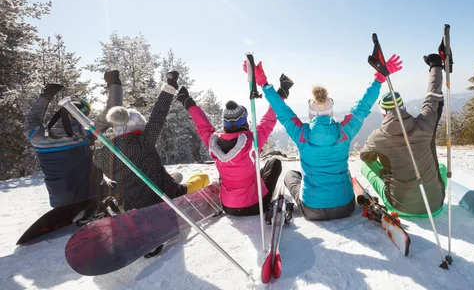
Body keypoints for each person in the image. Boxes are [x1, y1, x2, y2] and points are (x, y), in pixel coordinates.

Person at [248, 55, 403, 221]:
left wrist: (263, 83)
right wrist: (378, 79)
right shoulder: (345, 131)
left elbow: (281, 110)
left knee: (290, 175)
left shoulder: (301, 134)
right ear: (331, 110)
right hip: (346, 206)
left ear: (311, 111)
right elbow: (363, 107)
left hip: (312, 209)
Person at [175, 74, 292, 216]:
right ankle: (262, 194)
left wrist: (188, 102)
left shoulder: (214, 143)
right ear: (243, 121)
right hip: (256, 205)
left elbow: (203, 126)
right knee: (274, 163)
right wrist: (282, 92)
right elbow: (269, 119)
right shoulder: (251, 142)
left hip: (228, 207)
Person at [95, 71, 208, 212]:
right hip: (164, 196)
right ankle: (172, 182)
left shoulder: (103, 154)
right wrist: (170, 86)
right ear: (139, 126)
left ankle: (170, 179)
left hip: (132, 204)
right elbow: (158, 115)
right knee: (203, 177)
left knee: (150, 175)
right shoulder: (143, 142)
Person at [359, 53, 448, 217]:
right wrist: (436, 65)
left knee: (365, 167)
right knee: (441, 167)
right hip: (435, 205)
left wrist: (384, 170)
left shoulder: (378, 136)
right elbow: (433, 95)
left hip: (399, 206)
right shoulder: (425, 123)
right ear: (403, 108)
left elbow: (366, 157)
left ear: (383, 114)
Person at [23, 70, 122, 208]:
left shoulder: (38, 136)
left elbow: (31, 119)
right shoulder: (85, 133)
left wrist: (47, 95)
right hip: (88, 197)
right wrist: (114, 82)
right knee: (117, 183)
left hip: (58, 202)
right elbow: (113, 110)